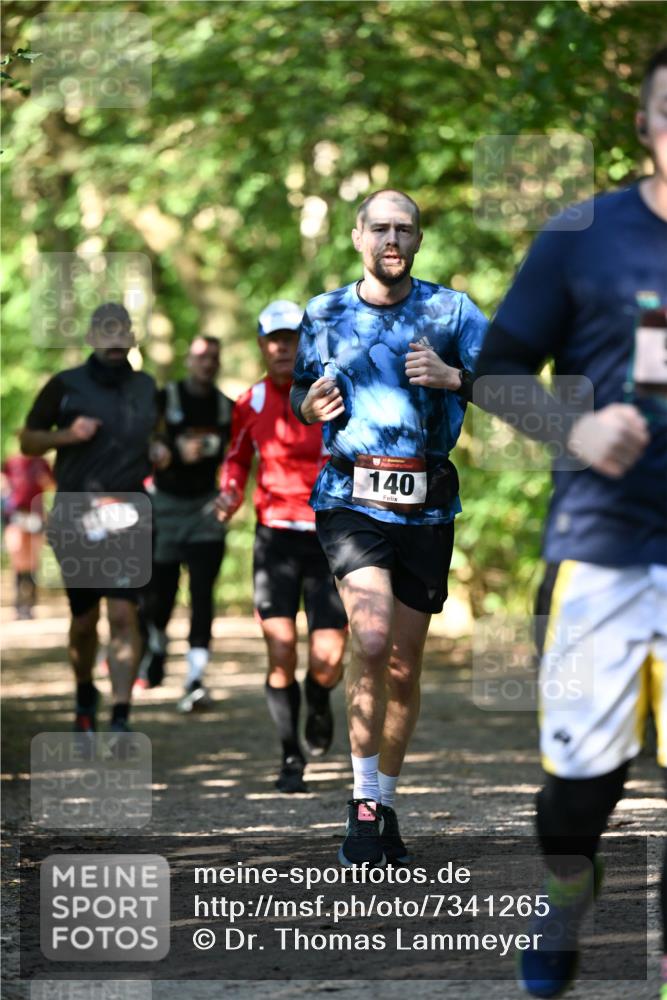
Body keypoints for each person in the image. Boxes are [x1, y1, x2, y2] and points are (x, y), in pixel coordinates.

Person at [473, 47, 667, 1000]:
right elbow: (497, 365)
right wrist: (577, 424)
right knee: (576, 798)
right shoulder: (583, 233)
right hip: (603, 546)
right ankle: (564, 895)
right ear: (644, 124)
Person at [290, 190, 487, 862]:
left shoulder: (451, 311)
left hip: (427, 504)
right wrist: (309, 405)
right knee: (370, 640)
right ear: (357, 237)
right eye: (380, 228)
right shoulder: (323, 312)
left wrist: (453, 377)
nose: (391, 240)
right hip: (350, 497)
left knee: (402, 666)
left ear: (419, 239)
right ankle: (362, 809)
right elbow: (300, 394)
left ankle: (387, 804)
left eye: (404, 229)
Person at [216, 300, 348, 794]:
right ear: (260, 345)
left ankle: (318, 698)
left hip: (330, 535)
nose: (282, 347)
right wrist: (229, 492)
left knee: (330, 658)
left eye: (291, 338)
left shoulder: (333, 392)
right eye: (274, 339)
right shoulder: (248, 402)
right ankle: (291, 754)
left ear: (305, 342)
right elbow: (236, 459)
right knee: (281, 648)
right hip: (274, 539)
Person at [19, 302, 157, 733]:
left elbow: (161, 437)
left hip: (129, 515)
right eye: (106, 331)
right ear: (92, 337)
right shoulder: (65, 386)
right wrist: (67, 434)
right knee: (84, 620)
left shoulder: (147, 387)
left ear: (132, 337)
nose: (115, 340)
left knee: (122, 615)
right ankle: (84, 690)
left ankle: (119, 714)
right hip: (77, 515)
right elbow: (28, 442)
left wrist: (165, 451)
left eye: (122, 332)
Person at [138, 335, 232, 712]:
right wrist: (160, 450)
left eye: (213, 356)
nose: (207, 363)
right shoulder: (165, 398)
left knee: (202, 593)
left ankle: (195, 678)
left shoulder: (227, 407)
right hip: (164, 506)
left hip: (205, 510)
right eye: (200, 357)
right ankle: (156, 649)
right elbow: (141, 437)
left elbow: (239, 453)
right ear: (188, 361)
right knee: (159, 593)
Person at [1, 453, 52, 618]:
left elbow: (51, 484)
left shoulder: (41, 463)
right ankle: (18, 605)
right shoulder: (12, 462)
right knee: (18, 560)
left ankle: (30, 605)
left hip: (35, 516)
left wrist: (43, 480)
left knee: (32, 561)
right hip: (16, 515)